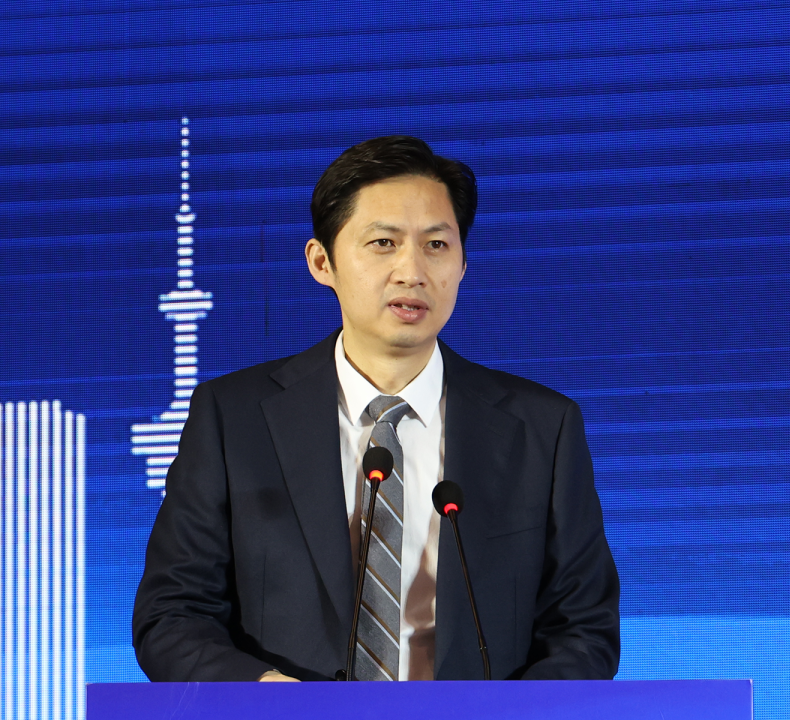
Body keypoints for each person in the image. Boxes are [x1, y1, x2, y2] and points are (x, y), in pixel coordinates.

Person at [132, 136, 620, 682]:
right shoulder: (233, 419)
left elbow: (584, 630)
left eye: (437, 245)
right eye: (384, 243)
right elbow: (171, 616)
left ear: (463, 264)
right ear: (322, 261)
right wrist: (269, 698)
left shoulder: (542, 428)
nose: (412, 271)